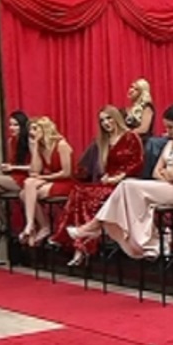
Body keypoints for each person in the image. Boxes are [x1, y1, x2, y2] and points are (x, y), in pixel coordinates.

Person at [68, 105, 173, 259]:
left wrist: (168, 174)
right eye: (166, 127)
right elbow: (156, 172)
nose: (167, 131)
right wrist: (169, 175)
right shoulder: (169, 143)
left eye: (171, 127)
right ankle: (103, 227)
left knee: (128, 185)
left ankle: (96, 225)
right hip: (166, 186)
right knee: (126, 186)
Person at [52, 107, 143, 265]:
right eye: (102, 120)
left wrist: (118, 177)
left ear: (116, 118)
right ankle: (81, 244)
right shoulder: (104, 141)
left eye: (109, 118)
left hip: (125, 185)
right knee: (78, 193)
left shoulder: (130, 137)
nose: (106, 123)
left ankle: (83, 241)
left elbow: (137, 163)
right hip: (108, 182)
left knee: (91, 197)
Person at [19, 117, 75, 246]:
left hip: (67, 182)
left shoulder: (61, 144)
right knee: (26, 187)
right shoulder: (40, 147)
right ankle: (32, 224)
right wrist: (34, 148)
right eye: (30, 130)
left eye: (35, 129)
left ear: (45, 129)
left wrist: (44, 178)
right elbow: (35, 171)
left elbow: (66, 173)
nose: (31, 132)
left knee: (27, 194)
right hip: (52, 179)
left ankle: (41, 226)